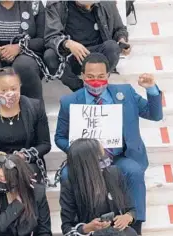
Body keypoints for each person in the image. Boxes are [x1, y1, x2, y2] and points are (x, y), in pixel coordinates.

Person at [55, 53, 163, 235]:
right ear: (82, 75)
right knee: (67, 175)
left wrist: (151, 89)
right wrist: (82, 152)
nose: (95, 81)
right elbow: (60, 137)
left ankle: (135, 226)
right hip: (85, 160)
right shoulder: (69, 102)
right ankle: (81, 227)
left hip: (120, 155)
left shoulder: (126, 92)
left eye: (100, 76)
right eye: (90, 77)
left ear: (108, 75)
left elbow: (155, 115)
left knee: (134, 171)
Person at [0, 67, 51, 187]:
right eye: (3, 90)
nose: (9, 93)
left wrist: (24, 156)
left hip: (25, 163)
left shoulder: (35, 107)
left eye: (14, 89)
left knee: (25, 177)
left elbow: (45, 144)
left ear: (20, 87)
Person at [44, 1, 130, 92]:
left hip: (97, 54)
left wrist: (122, 40)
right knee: (50, 55)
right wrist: (67, 43)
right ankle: (80, 88)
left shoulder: (106, 3)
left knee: (112, 47)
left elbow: (119, 29)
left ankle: (100, 81)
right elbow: (51, 36)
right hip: (71, 55)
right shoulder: (57, 5)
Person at [60, 139, 138, 236]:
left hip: (116, 232)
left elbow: (132, 209)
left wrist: (128, 217)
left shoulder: (114, 173)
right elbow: (67, 228)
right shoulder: (70, 184)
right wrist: (87, 228)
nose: (105, 158)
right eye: (100, 156)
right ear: (88, 162)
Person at [0, 154, 52, 235]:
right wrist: (17, 204)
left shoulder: (37, 192)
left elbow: (44, 230)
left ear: (15, 180)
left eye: (2, 178)